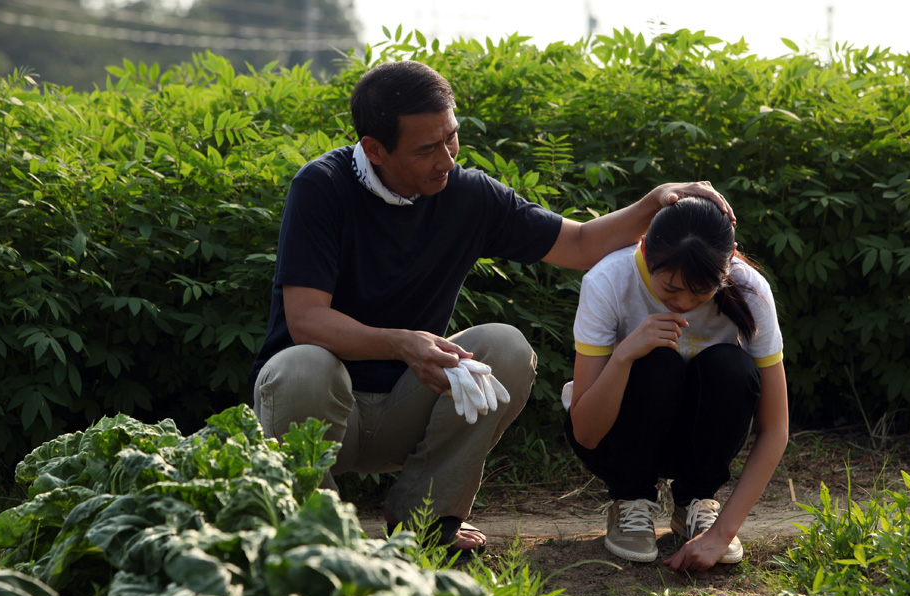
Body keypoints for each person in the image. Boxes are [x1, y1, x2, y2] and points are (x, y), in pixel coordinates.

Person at [248, 60, 734, 552]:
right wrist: (402, 344)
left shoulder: (466, 195)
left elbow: (581, 244)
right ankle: (321, 533)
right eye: (426, 148)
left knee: (505, 347)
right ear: (374, 149)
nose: (446, 158)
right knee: (301, 365)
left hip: (403, 404)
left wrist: (653, 202)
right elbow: (306, 320)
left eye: (451, 138)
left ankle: (424, 519)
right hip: (321, 410)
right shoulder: (322, 186)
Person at [562, 195, 788, 571]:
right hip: (616, 439)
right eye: (669, 289)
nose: (682, 303)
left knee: (732, 366)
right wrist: (624, 355)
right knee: (656, 360)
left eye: (701, 293)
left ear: (729, 258)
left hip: (696, 441)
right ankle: (631, 500)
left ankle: (696, 503)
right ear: (645, 248)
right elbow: (585, 432)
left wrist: (723, 535)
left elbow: (776, 428)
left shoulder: (751, 290)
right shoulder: (608, 280)